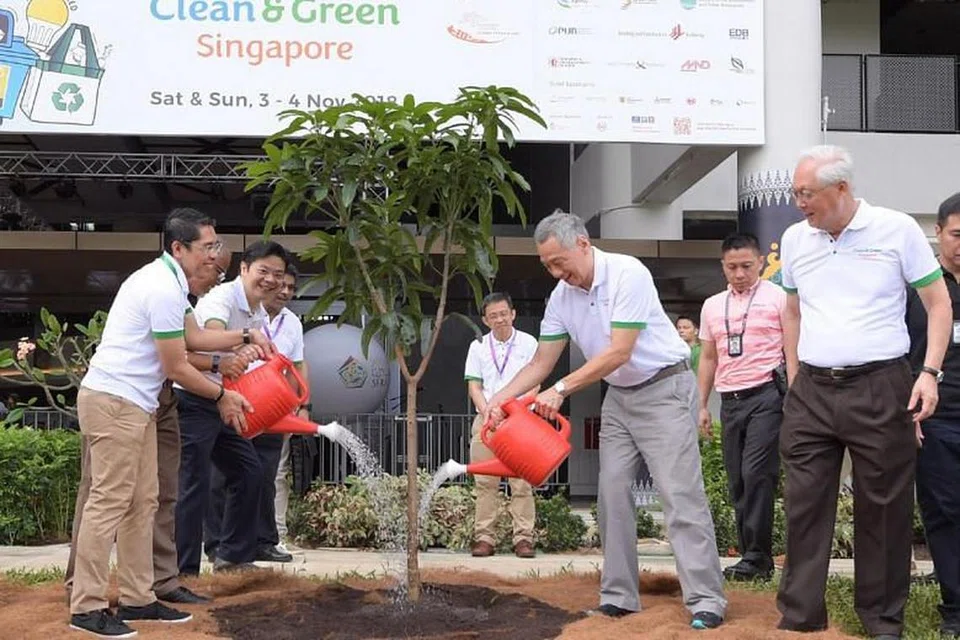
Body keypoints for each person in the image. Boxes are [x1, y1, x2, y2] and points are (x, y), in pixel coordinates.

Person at [483, 210, 727, 630]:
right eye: (547, 266)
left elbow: (619, 351)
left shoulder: (626, 274)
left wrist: (560, 391)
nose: (557, 273)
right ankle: (619, 596)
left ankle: (706, 599)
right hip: (619, 397)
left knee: (679, 495)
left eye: (560, 262)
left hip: (665, 389)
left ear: (583, 243)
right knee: (611, 494)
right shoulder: (561, 297)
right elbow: (542, 361)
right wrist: (497, 398)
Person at [776, 145, 951, 638]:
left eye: (806, 193)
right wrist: (794, 379)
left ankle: (882, 620)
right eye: (795, 192)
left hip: (881, 384)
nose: (798, 203)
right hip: (811, 387)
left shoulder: (895, 229)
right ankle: (800, 618)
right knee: (804, 503)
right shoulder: (794, 239)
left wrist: (929, 373)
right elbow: (791, 312)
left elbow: (938, 305)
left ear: (842, 188)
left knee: (884, 507)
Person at [68, 209, 253, 639]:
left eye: (215, 245)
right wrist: (224, 394)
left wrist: (247, 337)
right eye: (207, 247)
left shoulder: (169, 283)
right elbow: (178, 366)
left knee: (143, 501)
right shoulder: (161, 288)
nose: (214, 255)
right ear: (178, 248)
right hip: (115, 401)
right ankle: (87, 607)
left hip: (136, 404)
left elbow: (195, 339)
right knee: (108, 503)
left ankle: (137, 597)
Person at [175, 240, 290, 575]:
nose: (270, 280)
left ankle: (232, 558)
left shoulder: (258, 312)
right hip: (193, 398)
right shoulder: (221, 300)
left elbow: (233, 363)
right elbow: (199, 345)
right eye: (263, 271)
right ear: (244, 270)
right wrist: (242, 342)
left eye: (277, 275)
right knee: (193, 483)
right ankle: (183, 571)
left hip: (222, 399)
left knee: (249, 471)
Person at [697, 232, 793, 582]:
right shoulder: (712, 305)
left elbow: (793, 347)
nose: (739, 274)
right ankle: (751, 555)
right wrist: (702, 405)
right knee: (738, 478)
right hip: (730, 399)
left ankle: (757, 557)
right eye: (732, 267)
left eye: (747, 266)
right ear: (723, 266)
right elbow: (708, 357)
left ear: (761, 264)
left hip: (767, 395)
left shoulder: (779, 298)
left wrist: (795, 396)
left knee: (757, 475)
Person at [205, 263, 307, 563]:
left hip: (273, 408)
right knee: (221, 476)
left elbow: (297, 366)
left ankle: (263, 541)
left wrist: (301, 405)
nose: (282, 289)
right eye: (278, 283)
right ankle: (216, 544)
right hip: (237, 401)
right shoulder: (244, 314)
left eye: (288, 286)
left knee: (264, 474)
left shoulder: (292, 323)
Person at [909, 192, 960, 640]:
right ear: (939, 233)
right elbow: (905, 353)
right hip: (938, 417)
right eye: (957, 234)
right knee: (944, 512)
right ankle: (955, 608)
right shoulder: (923, 288)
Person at [463, 292, 539, 558]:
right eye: (493, 316)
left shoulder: (529, 343)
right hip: (486, 422)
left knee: (521, 482)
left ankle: (523, 539)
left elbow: (535, 381)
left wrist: (513, 411)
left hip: (520, 422)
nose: (499, 319)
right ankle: (485, 538)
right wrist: (488, 412)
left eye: (503, 313)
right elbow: (474, 385)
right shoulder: (478, 346)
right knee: (485, 482)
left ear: (513, 313)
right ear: (485, 319)